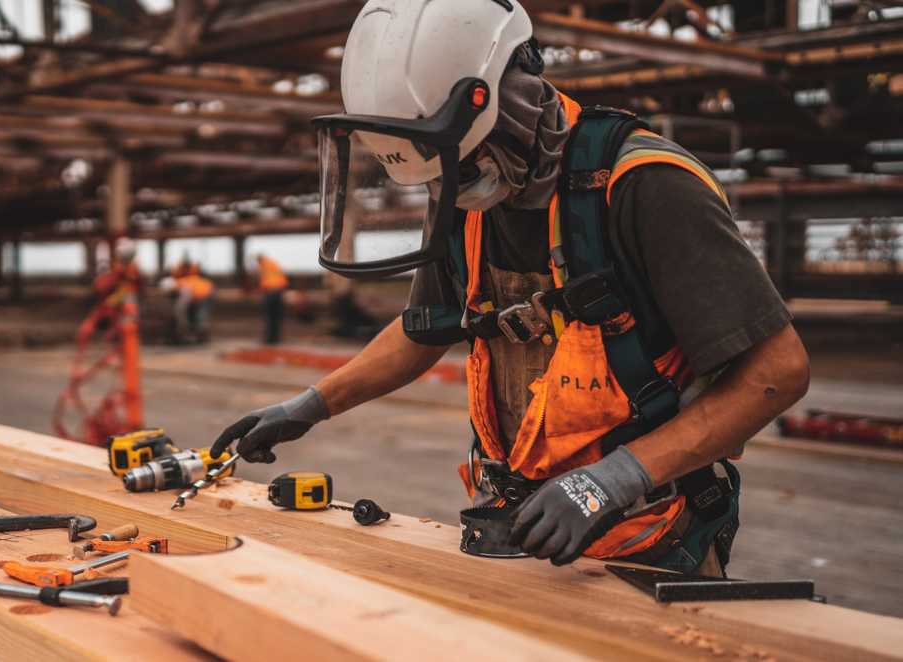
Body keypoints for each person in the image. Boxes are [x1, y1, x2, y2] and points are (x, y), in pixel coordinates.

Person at [210, 0, 809, 576]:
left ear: (511, 100)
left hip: (648, 534)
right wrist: (310, 407)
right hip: (518, 528)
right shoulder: (463, 188)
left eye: (465, 167)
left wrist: (618, 477)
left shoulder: (643, 185)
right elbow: (427, 330)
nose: (458, 188)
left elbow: (777, 371)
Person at [253, 253, 288, 344]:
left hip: (270, 292)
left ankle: (269, 339)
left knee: (269, 316)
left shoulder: (262, 266)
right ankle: (275, 339)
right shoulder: (273, 263)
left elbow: (261, 278)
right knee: (276, 316)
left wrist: (259, 290)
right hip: (279, 291)